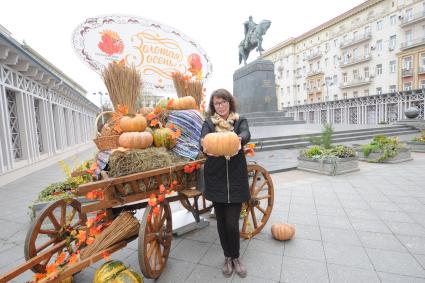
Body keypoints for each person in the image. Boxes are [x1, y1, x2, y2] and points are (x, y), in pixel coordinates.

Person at [200, 89, 250, 278]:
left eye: (223, 102)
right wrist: (205, 146)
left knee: (231, 223)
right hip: (216, 178)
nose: (220, 106)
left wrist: (239, 139)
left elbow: (246, 133)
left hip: (236, 178)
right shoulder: (208, 123)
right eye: (216, 103)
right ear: (213, 106)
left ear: (230, 102)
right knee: (221, 222)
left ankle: (236, 257)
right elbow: (203, 140)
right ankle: (227, 257)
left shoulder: (239, 121)